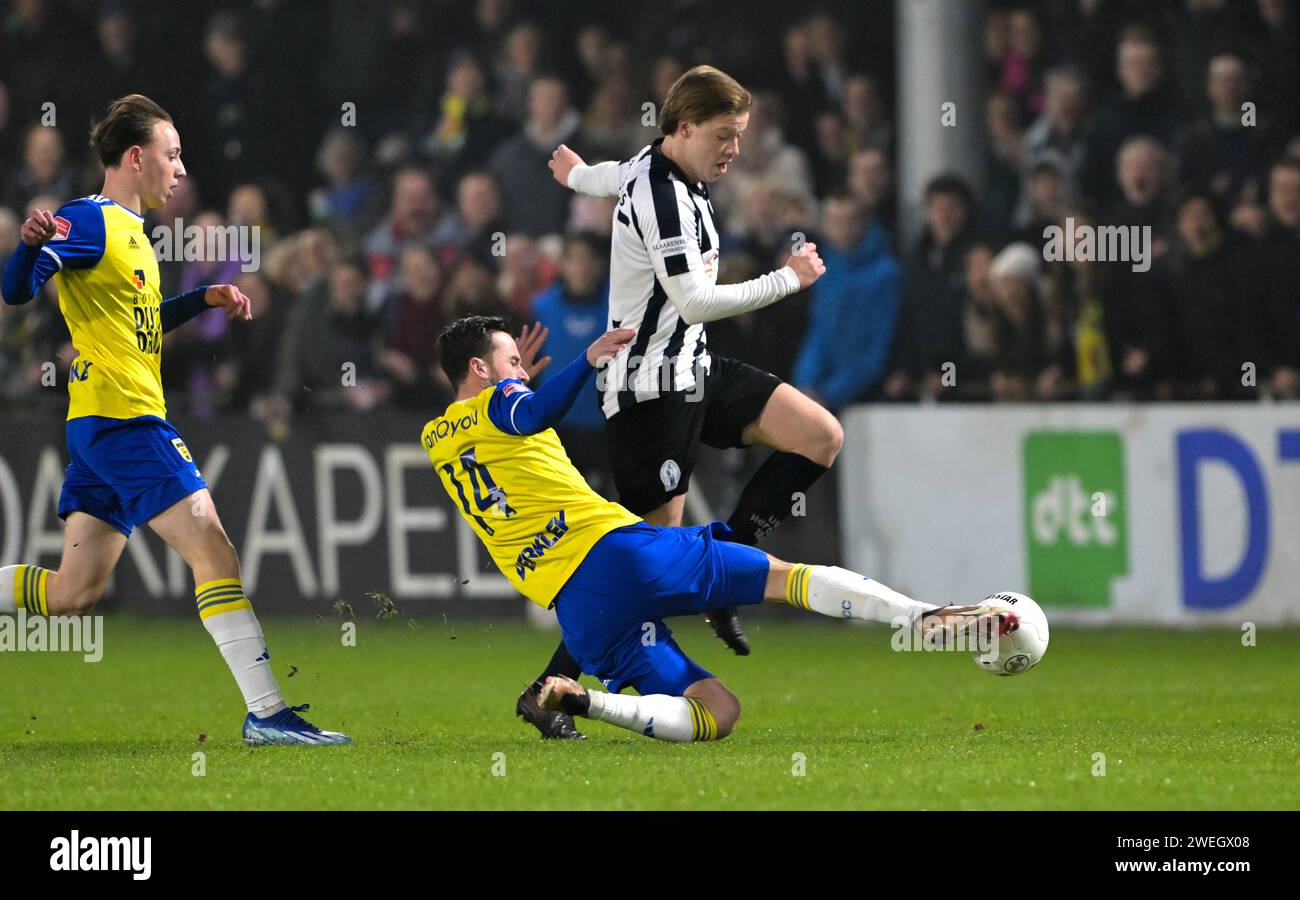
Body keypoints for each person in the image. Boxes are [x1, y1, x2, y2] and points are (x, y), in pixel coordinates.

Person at [422, 316, 1017, 743]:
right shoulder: (502, 403)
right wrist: (585, 359)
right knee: (786, 579)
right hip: (618, 555)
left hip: (578, 609)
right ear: (480, 368)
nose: (518, 371)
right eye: (508, 362)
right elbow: (534, 411)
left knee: (717, 712)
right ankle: (925, 620)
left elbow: (517, 419)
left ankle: (582, 699)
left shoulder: (439, 437)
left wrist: (518, 378)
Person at [0, 94, 348, 746]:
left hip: (103, 424)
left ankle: (267, 717)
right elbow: (17, 291)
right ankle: (267, 714)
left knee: (73, 593)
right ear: (137, 157)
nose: (180, 169)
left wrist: (202, 299)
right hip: (124, 420)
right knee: (212, 545)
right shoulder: (92, 221)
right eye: (172, 153)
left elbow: (141, 325)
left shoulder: (133, 234)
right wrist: (28, 247)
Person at [530, 65, 841, 739]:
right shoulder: (665, 197)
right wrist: (787, 279)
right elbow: (695, 301)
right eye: (726, 135)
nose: (735, 149)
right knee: (641, 568)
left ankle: (728, 569)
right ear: (686, 126)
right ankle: (546, 689)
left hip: (695, 367)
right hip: (647, 394)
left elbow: (613, 174)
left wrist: (576, 173)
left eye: (743, 136)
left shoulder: (656, 167)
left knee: (819, 436)